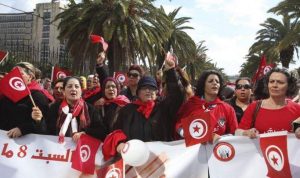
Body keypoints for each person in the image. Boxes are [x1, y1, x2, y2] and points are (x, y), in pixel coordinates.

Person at [101, 56, 185, 160]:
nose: (148, 91)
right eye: (144, 88)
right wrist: (119, 144)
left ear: (156, 92)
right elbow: (116, 131)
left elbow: (177, 96)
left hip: (160, 162)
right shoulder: (126, 110)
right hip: (134, 162)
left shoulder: (164, 108)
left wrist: (171, 71)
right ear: (138, 92)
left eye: (152, 88)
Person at [236, 68, 300, 138]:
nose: (274, 85)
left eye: (280, 82)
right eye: (271, 81)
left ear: (289, 86)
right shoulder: (254, 107)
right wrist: (245, 133)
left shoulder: (297, 109)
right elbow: (237, 132)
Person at [176, 70, 238, 140]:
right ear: (203, 85)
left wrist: (220, 138)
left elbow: (234, 133)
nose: (215, 83)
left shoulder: (228, 109)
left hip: (218, 149)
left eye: (217, 82)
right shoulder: (190, 105)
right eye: (210, 81)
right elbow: (179, 126)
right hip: (193, 149)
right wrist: (198, 136)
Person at [47, 76, 107, 142]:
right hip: (58, 149)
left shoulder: (90, 109)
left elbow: (102, 131)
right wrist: (39, 121)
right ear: (64, 90)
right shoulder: (55, 108)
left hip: (82, 149)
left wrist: (85, 133)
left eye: (76, 86)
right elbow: (47, 131)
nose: (73, 89)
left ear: (81, 90)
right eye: (70, 86)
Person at [0, 62, 49, 138]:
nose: (15, 76)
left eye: (20, 73)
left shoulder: (38, 96)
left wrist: (22, 129)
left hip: (24, 144)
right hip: (3, 140)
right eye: (12, 73)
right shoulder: (6, 94)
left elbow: (44, 125)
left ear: (30, 76)